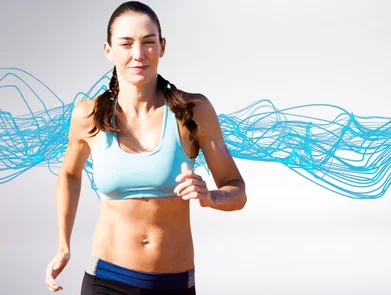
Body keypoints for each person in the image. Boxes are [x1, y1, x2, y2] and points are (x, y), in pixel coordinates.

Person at [44, 1, 247, 294]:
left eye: (148, 42)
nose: (138, 54)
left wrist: (211, 195)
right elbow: (69, 175)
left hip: (173, 284)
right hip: (106, 279)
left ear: (162, 47)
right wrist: (63, 244)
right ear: (108, 50)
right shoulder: (88, 115)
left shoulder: (193, 112)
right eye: (126, 44)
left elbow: (237, 190)